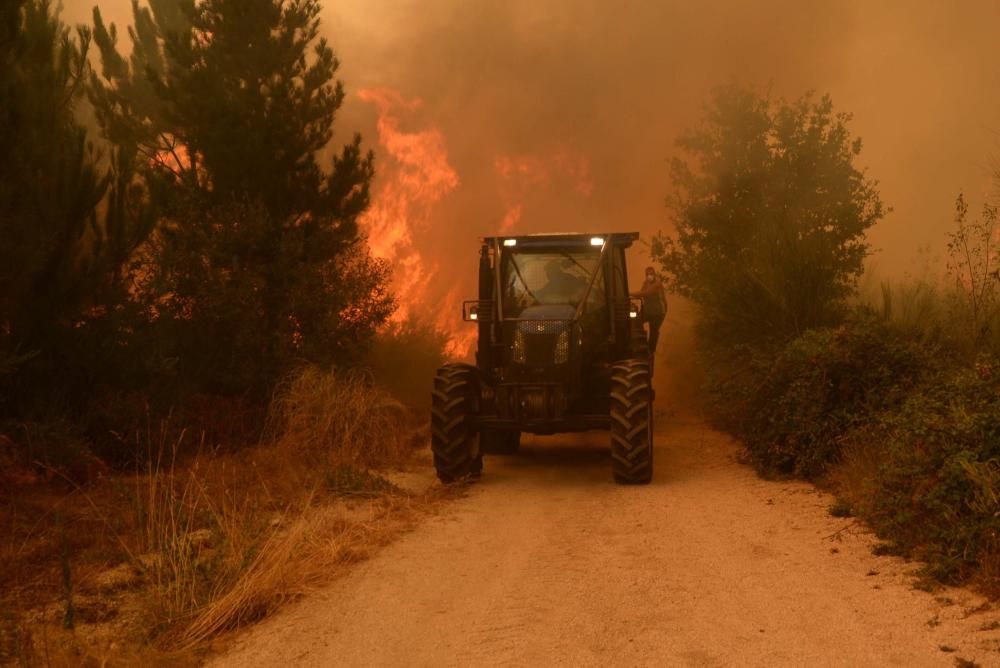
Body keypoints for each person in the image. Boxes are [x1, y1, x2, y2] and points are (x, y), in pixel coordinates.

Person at [630, 266, 667, 360]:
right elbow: (641, 292)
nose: (649, 276)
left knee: (654, 331)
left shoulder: (657, 284)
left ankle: (650, 352)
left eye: (651, 274)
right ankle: (637, 343)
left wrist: (629, 293)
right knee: (636, 321)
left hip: (658, 312)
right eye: (647, 274)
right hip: (648, 311)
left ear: (654, 274)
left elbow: (645, 293)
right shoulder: (645, 283)